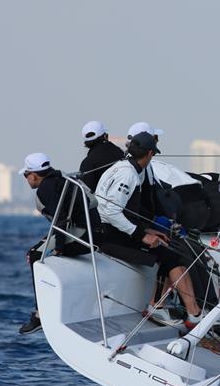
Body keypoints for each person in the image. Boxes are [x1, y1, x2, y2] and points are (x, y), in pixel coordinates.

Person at [94, 132, 202, 329]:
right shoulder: (128, 174)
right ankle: (185, 313)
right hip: (109, 235)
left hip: (114, 230)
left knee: (168, 245)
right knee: (168, 254)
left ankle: (185, 311)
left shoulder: (124, 167)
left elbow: (126, 210)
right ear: (150, 153)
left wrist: (149, 228)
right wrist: (142, 236)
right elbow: (111, 212)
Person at [18, 153, 99, 334]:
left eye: (26, 175)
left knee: (34, 255)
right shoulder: (62, 177)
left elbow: (61, 219)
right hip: (94, 231)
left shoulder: (45, 189)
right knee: (44, 246)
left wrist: (60, 248)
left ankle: (39, 315)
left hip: (83, 236)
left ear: (33, 174)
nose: (26, 179)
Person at [79, 120, 125, 191]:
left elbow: (85, 193)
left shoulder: (87, 163)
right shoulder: (120, 153)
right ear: (105, 136)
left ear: (86, 143)